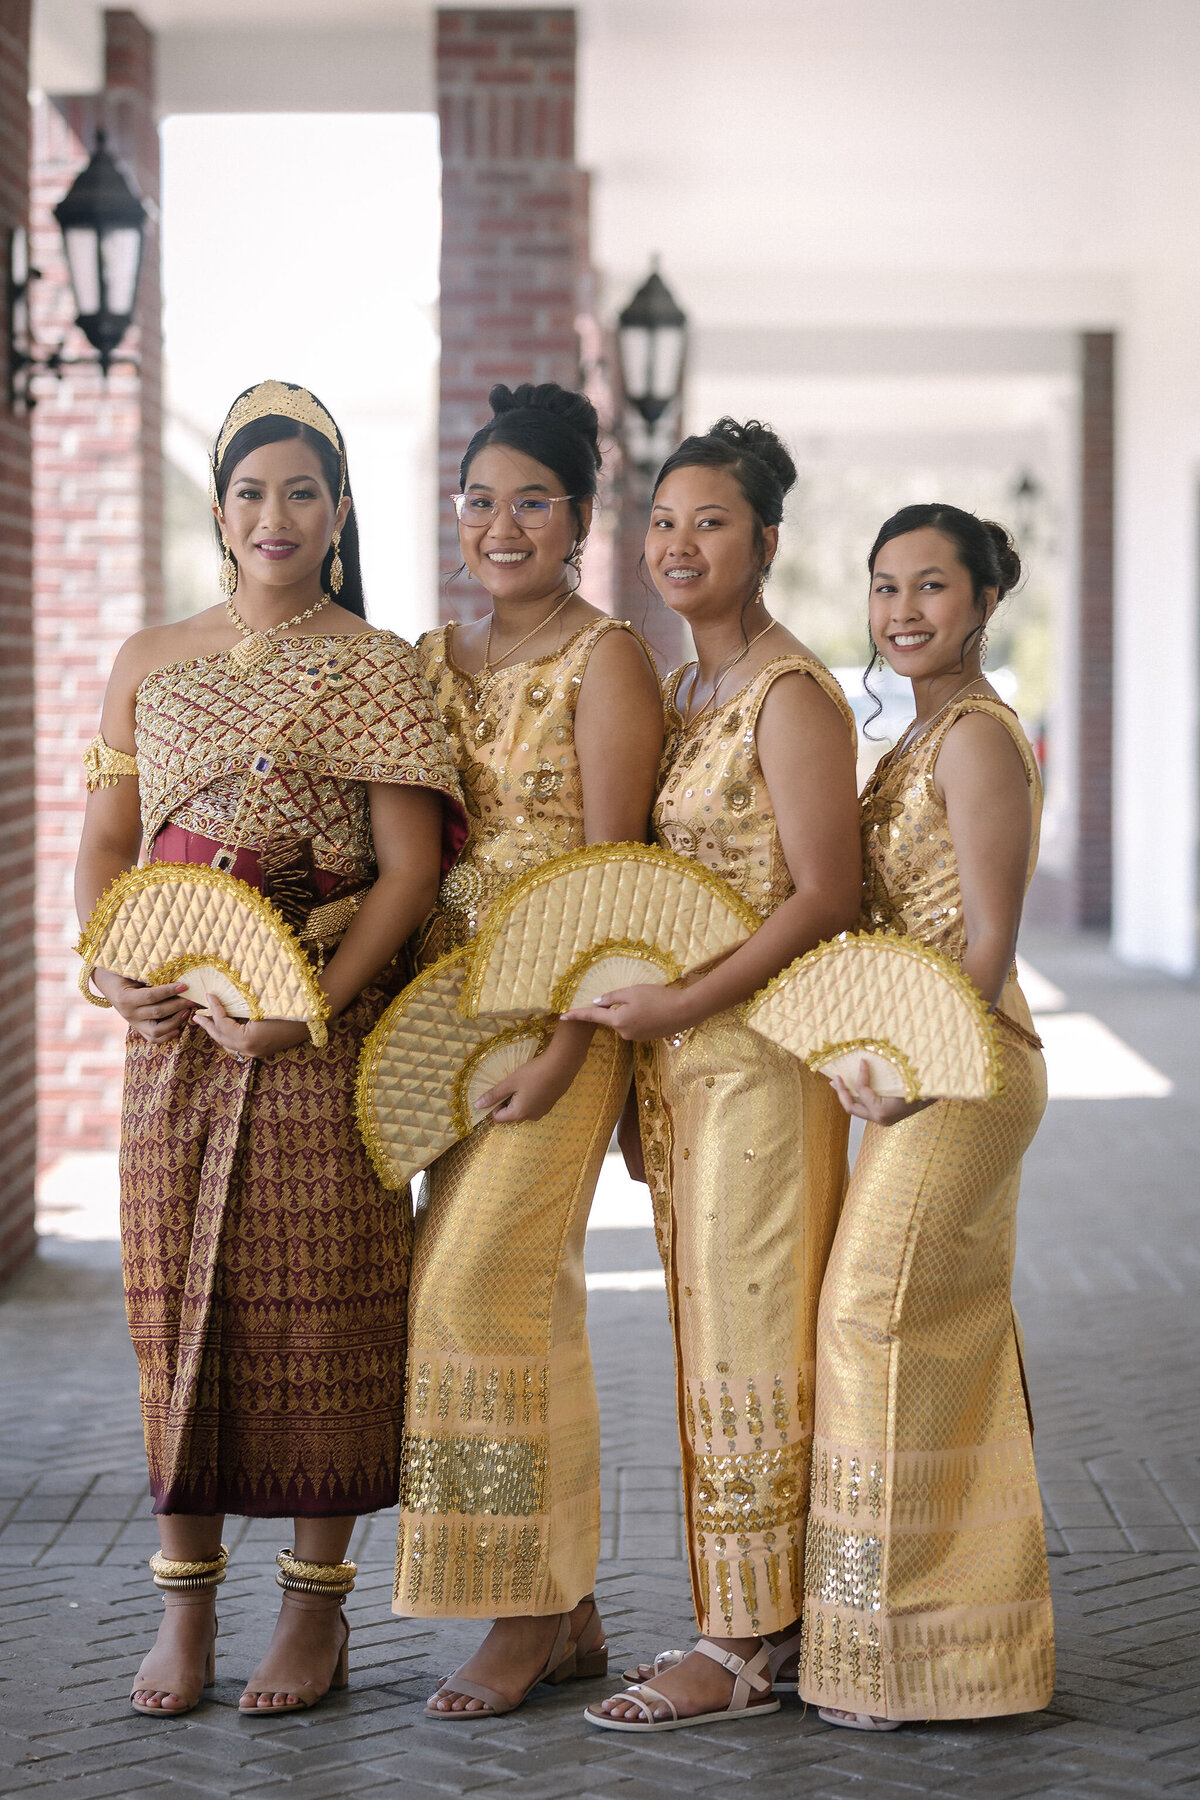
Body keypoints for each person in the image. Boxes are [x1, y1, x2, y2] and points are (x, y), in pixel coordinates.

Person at [74, 380, 465, 1719]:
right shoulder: (148, 659)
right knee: (175, 1311)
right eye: (251, 492)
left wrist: (311, 1004)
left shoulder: (379, 664)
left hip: (318, 1028)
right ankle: (183, 1614)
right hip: (175, 1029)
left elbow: (410, 872)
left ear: (341, 511)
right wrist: (109, 963)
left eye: (303, 491)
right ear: (220, 511)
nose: (275, 515)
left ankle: (314, 1618)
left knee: (323, 1320)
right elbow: (104, 850)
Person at [566, 419, 862, 1733]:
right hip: (682, 1079)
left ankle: (746, 1642)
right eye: (667, 522)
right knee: (704, 1351)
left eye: (714, 524)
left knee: (753, 1351)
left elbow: (826, 892)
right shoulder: (684, 695)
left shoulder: (788, 693)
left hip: (761, 1066)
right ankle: (758, 1620)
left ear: (768, 545)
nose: (682, 545)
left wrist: (678, 1005)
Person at [395, 381, 663, 1718]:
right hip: (443, 1029)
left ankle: (530, 1601)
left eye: (534, 502)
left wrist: (564, 1052)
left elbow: (618, 874)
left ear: (578, 520)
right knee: (510, 1301)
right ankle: (570, 1612)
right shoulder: (434, 659)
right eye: (482, 499)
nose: (504, 524)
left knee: (477, 1295)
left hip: (567, 1021)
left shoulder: (605, 657)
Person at [799, 503, 1054, 1728]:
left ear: (986, 601)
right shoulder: (913, 733)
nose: (903, 609)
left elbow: (991, 942)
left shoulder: (978, 740)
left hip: (969, 1072)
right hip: (911, 1068)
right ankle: (944, 1651)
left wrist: (916, 1070)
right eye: (885, 586)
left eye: (932, 587)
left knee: (872, 1322)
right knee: (925, 1342)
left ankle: (895, 1653)